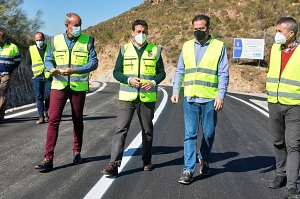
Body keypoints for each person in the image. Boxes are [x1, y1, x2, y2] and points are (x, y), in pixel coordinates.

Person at [101, 19, 166, 177]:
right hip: (127, 97)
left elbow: (162, 73)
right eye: (138, 31)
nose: (141, 34)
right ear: (132, 33)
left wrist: (153, 82)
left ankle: (146, 160)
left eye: (144, 31)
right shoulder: (124, 50)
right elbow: (116, 72)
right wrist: (128, 80)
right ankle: (114, 164)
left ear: (147, 32)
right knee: (121, 130)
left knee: (147, 130)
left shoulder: (155, 50)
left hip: (147, 97)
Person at [34, 13, 98, 171]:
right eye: (75, 25)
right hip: (59, 85)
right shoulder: (55, 40)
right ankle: (48, 158)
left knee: (77, 119)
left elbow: (93, 63)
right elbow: (48, 59)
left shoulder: (88, 40)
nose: (78, 28)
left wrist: (76, 70)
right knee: (53, 120)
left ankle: (77, 152)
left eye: (80, 25)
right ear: (66, 26)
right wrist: (51, 69)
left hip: (78, 87)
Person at [171, 14, 229, 185]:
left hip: (210, 98)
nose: (198, 32)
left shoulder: (219, 46)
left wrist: (221, 95)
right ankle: (188, 169)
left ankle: (204, 159)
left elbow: (223, 72)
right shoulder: (187, 46)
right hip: (190, 97)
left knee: (209, 133)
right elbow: (180, 70)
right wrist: (176, 90)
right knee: (190, 134)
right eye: (195, 29)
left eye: (201, 29)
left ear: (208, 28)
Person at [266, 16, 300, 199]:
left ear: (291, 33)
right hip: (274, 103)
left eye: (279, 31)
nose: (276, 34)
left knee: (293, 145)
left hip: (294, 106)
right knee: (278, 142)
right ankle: (281, 174)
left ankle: (293, 187)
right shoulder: (274, 49)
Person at [0, 30, 21, 123]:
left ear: (4, 39)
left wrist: (10, 68)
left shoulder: (12, 47)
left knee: (3, 92)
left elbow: (18, 60)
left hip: (6, 73)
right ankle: (0, 113)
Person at [24, 32, 52, 124]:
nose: (39, 42)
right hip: (37, 77)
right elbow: (27, 63)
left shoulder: (50, 48)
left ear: (44, 39)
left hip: (48, 76)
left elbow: (54, 60)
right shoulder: (31, 49)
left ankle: (46, 111)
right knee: (39, 96)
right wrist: (31, 74)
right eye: (37, 40)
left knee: (49, 95)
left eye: (40, 40)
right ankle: (41, 116)